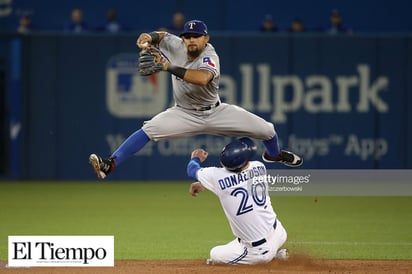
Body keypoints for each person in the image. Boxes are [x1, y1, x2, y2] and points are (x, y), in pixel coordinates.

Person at [89, 19, 302, 180]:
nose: (191, 40)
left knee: (267, 130)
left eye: (196, 36)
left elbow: (202, 79)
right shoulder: (177, 44)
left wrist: (168, 66)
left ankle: (273, 156)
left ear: (206, 38)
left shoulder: (210, 55)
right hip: (184, 113)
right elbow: (162, 36)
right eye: (187, 36)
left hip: (215, 112)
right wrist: (148, 37)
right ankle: (111, 163)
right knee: (148, 130)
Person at [186, 137, 288, 264]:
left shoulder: (216, 176)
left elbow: (191, 170)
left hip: (258, 250)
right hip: (279, 232)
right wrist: (207, 184)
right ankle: (275, 252)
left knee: (215, 254)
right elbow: (239, 182)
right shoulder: (259, 166)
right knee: (237, 242)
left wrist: (195, 158)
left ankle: (270, 257)